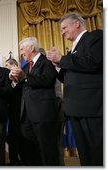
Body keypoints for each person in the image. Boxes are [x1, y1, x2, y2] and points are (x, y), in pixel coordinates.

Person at [46, 12, 103, 166]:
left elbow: (92, 62)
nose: (62, 32)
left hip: (92, 107)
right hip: (75, 108)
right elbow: (66, 78)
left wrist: (62, 59)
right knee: (85, 154)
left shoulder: (96, 37)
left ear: (77, 23)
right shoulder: (72, 50)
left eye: (65, 28)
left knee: (98, 153)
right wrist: (58, 66)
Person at [9, 37, 64, 166]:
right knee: (30, 150)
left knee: (47, 151)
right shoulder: (27, 65)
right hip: (26, 115)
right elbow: (25, 85)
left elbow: (47, 80)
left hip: (43, 114)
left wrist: (25, 77)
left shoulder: (47, 62)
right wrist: (15, 80)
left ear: (31, 48)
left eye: (22, 49)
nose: (21, 52)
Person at [4, 58, 23, 165]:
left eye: (7, 66)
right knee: (12, 138)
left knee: (19, 138)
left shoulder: (22, 76)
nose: (5, 68)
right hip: (10, 113)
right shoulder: (7, 78)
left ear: (14, 66)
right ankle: (13, 161)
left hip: (20, 113)